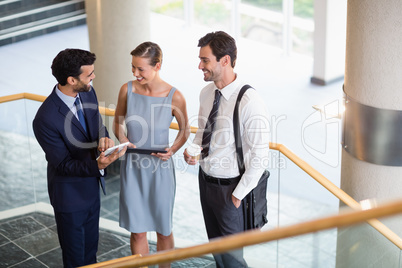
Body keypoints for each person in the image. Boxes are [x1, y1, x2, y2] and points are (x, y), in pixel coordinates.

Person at [33, 48, 127, 268]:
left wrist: (104, 138)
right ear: (71, 79)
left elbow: (97, 124)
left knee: (90, 253)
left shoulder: (87, 92)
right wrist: (98, 165)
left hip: (92, 189)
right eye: (89, 74)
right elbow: (64, 164)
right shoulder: (44, 119)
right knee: (75, 259)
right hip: (69, 197)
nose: (93, 77)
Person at [183, 31, 270, 267]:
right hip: (206, 182)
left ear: (225, 60)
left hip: (231, 191)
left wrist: (237, 196)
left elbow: (261, 156)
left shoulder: (249, 102)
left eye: (205, 60)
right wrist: (194, 150)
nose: (200, 65)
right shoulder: (206, 93)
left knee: (233, 260)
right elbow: (203, 132)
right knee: (217, 252)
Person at [113, 42, 190, 264]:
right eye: (133, 68)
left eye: (141, 69)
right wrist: (124, 140)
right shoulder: (126, 90)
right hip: (133, 166)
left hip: (160, 168)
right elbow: (118, 122)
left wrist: (173, 149)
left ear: (157, 66)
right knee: (137, 230)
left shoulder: (174, 96)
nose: (136, 74)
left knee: (163, 229)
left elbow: (185, 130)